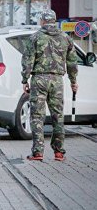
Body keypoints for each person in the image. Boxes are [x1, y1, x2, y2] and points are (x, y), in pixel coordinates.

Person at [22, 9, 78, 162]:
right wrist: (73, 81)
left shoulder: (34, 38)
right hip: (57, 81)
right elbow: (72, 63)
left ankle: (38, 152)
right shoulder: (66, 38)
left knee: (37, 116)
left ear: (42, 21)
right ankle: (59, 152)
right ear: (54, 20)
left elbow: (28, 61)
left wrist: (24, 80)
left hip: (39, 79)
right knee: (58, 116)